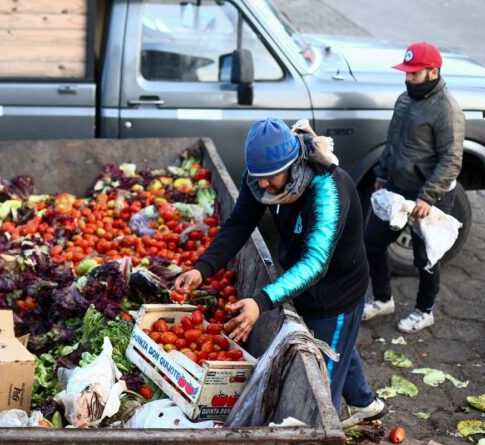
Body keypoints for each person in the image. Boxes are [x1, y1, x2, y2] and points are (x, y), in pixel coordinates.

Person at [174, 118, 385, 423]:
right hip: (299, 281)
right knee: (337, 346)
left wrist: (260, 302)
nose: (261, 185)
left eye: (269, 178)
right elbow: (239, 223)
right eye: (257, 178)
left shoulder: (327, 191)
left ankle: (326, 426)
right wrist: (202, 269)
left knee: (319, 387)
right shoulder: (261, 176)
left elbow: (315, 263)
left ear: (293, 164)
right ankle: (365, 403)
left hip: (334, 293)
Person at [362, 42, 464, 333]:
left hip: (430, 196)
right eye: (406, 72)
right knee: (372, 242)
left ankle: (424, 310)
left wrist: (428, 197)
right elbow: (392, 140)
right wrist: (381, 175)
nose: (408, 78)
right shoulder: (404, 100)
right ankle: (383, 299)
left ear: (433, 72)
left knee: (426, 257)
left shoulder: (447, 110)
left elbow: (451, 159)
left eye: (414, 74)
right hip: (396, 187)